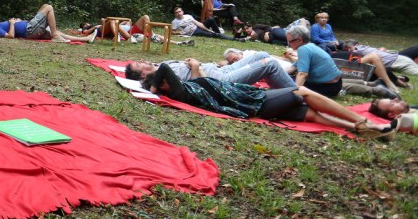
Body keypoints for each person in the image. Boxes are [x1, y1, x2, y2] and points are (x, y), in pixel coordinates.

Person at [141, 63, 394, 139]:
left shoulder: (184, 89)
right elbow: (163, 67)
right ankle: (362, 122)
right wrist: (153, 83)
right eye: (163, 80)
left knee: (307, 113)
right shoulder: (176, 92)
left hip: (248, 99)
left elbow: (193, 78)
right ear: (162, 83)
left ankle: (357, 128)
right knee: (302, 92)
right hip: (252, 102)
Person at [125, 50, 297, 90]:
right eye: (139, 64)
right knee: (269, 64)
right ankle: (294, 94)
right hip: (220, 80)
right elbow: (194, 88)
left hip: (219, 69)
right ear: (143, 74)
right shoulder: (162, 76)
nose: (141, 60)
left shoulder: (162, 63)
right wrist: (195, 66)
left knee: (262, 54)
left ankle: (284, 86)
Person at [285, 25, 343, 97]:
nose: (289, 45)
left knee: (287, 83)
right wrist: (278, 73)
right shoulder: (311, 46)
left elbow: (303, 74)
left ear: (299, 40)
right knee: (286, 79)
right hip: (336, 84)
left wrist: (295, 93)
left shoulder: (303, 49)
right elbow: (294, 67)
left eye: (290, 42)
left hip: (327, 87)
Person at [0, 4, 79, 42]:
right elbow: (10, 36)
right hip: (29, 30)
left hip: (30, 27)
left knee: (45, 6)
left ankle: (86, 38)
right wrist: (12, 23)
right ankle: (55, 36)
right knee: (49, 7)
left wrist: (18, 21)